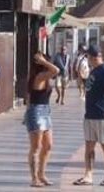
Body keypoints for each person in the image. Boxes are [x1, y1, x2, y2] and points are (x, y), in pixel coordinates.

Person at [73, 45, 104, 187]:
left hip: (102, 114)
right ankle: (88, 175)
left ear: (92, 57)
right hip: (90, 114)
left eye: (88, 57)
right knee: (89, 146)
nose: (88, 60)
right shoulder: (94, 71)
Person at [25, 51, 60, 188]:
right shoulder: (39, 76)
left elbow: (28, 96)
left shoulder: (43, 77)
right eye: (46, 61)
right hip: (36, 112)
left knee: (48, 145)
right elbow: (56, 70)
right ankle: (34, 178)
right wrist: (44, 62)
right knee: (36, 146)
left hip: (45, 111)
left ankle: (42, 174)